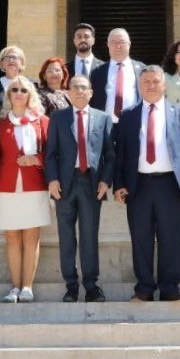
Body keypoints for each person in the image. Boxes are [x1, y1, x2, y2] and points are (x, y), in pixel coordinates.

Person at [113, 66, 180, 302]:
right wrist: (119, 184)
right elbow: (120, 153)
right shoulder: (128, 115)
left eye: (156, 81)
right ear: (139, 85)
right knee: (141, 238)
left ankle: (170, 289)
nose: (151, 85)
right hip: (139, 186)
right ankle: (144, 289)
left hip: (170, 185)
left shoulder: (179, 113)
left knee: (171, 238)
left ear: (164, 84)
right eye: (146, 82)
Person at [45, 75, 115, 302]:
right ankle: (71, 286)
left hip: (92, 184)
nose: (79, 91)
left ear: (91, 92)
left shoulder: (103, 118)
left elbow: (110, 155)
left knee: (89, 236)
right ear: (68, 92)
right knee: (66, 237)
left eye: (84, 88)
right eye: (75, 87)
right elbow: (50, 154)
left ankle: (92, 286)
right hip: (64, 184)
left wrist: (106, 180)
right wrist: (53, 180)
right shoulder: (58, 118)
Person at [0, 75, 52, 302]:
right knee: (12, 237)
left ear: (30, 95)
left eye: (23, 90)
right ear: (8, 95)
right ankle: (14, 287)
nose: (18, 93)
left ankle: (27, 287)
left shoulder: (42, 121)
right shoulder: (0, 124)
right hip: (5, 186)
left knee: (32, 236)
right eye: (13, 89)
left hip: (35, 185)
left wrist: (36, 159)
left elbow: (53, 154)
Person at [89, 27, 145, 123]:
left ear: (129, 44)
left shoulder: (142, 70)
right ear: (108, 45)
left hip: (134, 124)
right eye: (113, 42)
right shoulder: (97, 72)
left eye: (122, 42)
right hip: (105, 125)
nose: (118, 46)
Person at [0, 45, 28, 112]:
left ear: (22, 62)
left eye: (14, 57)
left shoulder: (30, 84)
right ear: (2, 63)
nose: (11, 60)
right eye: (7, 58)